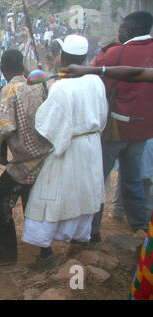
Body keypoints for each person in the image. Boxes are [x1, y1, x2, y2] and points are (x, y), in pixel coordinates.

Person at [21, 35, 108, 271]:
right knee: (83, 194)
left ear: (66, 58)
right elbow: (102, 116)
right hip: (91, 147)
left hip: (69, 148)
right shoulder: (96, 81)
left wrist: (45, 99)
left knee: (46, 196)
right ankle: (81, 242)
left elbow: (47, 126)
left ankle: (46, 253)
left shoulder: (62, 87)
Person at [0, 49, 51, 267]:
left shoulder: (10, 90)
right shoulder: (37, 86)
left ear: (4, 69)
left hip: (26, 161)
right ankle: (47, 253)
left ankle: (5, 254)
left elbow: (5, 128)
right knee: (31, 201)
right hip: (44, 156)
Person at [91, 11, 153, 242]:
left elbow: (97, 85)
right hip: (144, 128)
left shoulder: (118, 53)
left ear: (129, 30)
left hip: (116, 128)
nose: (119, 31)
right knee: (132, 177)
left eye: (122, 28)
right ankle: (140, 224)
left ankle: (93, 229)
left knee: (100, 178)